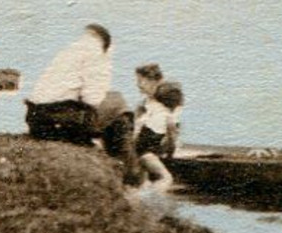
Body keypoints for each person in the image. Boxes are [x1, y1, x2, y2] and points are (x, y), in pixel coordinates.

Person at [25, 25, 141, 182]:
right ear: (105, 43)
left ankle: (119, 163)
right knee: (120, 108)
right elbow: (92, 99)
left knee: (112, 104)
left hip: (37, 120)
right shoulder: (96, 52)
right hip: (58, 118)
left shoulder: (70, 50)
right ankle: (131, 174)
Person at [134, 69, 184, 189]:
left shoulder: (151, 110)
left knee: (144, 181)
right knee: (166, 178)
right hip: (147, 153)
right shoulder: (168, 117)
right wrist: (170, 156)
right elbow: (172, 139)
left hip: (140, 151)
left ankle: (141, 201)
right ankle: (150, 200)